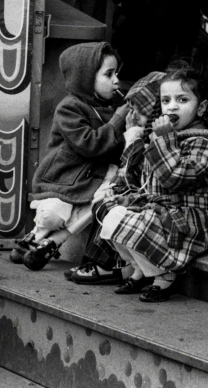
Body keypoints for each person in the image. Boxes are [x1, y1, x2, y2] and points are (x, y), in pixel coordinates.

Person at [98, 68, 208, 302]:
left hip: (187, 221)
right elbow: (148, 181)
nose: (171, 107)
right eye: (165, 100)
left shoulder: (205, 145)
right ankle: (141, 269)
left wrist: (163, 141)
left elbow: (175, 178)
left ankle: (165, 277)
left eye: (182, 100)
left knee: (132, 222)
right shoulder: (166, 137)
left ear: (201, 108)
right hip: (160, 212)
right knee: (111, 212)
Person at [12, 42, 127, 269]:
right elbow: (89, 144)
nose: (117, 81)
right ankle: (36, 236)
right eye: (109, 74)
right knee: (52, 217)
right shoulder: (69, 107)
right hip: (66, 177)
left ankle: (53, 242)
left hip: (93, 178)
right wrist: (118, 122)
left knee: (102, 202)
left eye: (117, 74)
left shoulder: (110, 108)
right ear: (85, 78)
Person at [69, 71, 165, 285]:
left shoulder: (155, 139)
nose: (133, 117)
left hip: (151, 202)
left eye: (139, 112)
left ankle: (102, 264)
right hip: (140, 196)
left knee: (111, 203)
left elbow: (132, 177)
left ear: (153, 113)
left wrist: (132, 139)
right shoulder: (146, 134)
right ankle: (95, 261)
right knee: (106, 198)